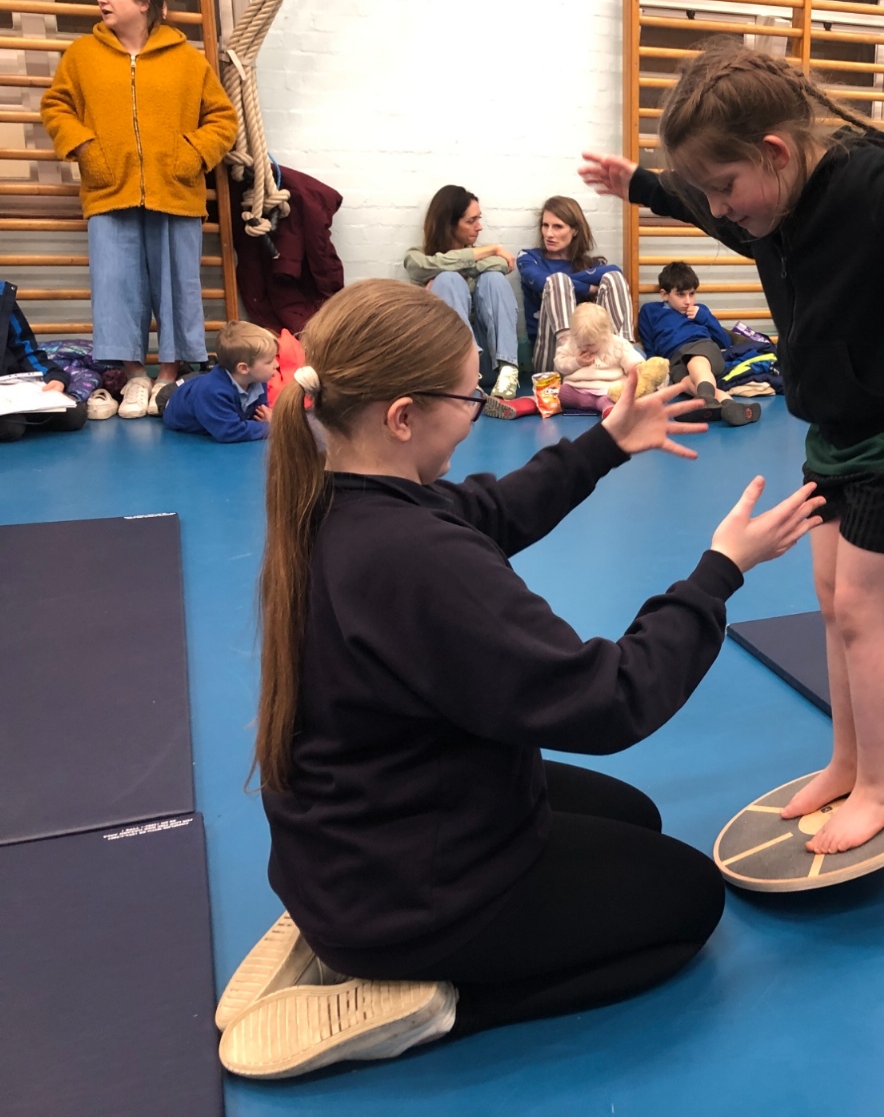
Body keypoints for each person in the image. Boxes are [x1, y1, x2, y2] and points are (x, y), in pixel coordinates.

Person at [216, 279, 823, 1079]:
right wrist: (720, 572)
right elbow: (610, 699)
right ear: (402, 417)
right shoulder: (416, 558)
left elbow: (491, 511)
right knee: (689, 901)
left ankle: (344, 922)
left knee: (634, 817)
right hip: (406, 897)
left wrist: (606, 443)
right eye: (468, 398)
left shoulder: (340, 499)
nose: (476, 413)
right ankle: (436, 1003)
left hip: (354, 843)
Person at [581, 41, 884, 853]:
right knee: (834, 603)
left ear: (775, 151)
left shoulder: (869, 183)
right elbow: (701, 203)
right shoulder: (773, 207)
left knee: (863, 612)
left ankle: (882, 783)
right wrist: (642, 185)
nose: (720, 208)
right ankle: (847, 760)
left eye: (725, 186)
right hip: (835, 433)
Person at [40, 0, 238, 419]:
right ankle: (134, 377)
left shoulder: (187, 59)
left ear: (143, 2)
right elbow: (56, 107)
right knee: (116, 287)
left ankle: (168, 377)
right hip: (109, 191)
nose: (101, 0)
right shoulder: (82, 55)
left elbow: (222, 118)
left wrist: (193, 154)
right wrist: (85, 148)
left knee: (177, 287)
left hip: (176, 191)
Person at [403, 185, 522, 399]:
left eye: (479, 219)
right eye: (471, 221)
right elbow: (419, 267)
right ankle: (464, 376)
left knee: (493, 278)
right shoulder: (417, 256)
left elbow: (503, 264)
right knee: (448, 279)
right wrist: (491, 250)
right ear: (448, 224)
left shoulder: (476, 254)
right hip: (448, 366)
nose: (479, 227)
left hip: (490, 363)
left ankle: (508, 370)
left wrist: (451, 263)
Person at [635, 261, 761, 426]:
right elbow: (649, 345)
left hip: (703, 349)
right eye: (681, 295)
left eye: (692, 294)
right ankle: (731, 407)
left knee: (696, 362)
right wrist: (658, 367)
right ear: (664, 295)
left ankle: (704, 400)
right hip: (675, 359)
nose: (688, 301)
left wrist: (704, 317)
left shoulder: (701, 310)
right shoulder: (650, 311)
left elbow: (724, 341)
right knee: (685, 383)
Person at [517, 197, 633, 374]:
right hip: (555, 357)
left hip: (597, 356)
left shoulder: (591, 264)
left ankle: (624, 350)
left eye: (558, 227)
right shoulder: (529, 258)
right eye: (545, 225)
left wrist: (571, 282)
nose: (549, 234)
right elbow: (542, 282)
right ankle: (568, 349)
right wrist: (587, 287)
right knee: (556, 281)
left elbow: (615, 270)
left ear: (575, 230)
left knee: (614, 278)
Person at [157, 320, 277, 443]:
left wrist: (269, 420)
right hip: (171, 398)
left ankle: (192, 373)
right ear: (243, 368)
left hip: (203, 382)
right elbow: (230, 431)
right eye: (269, 362)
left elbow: (261, 415)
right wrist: (272, 427)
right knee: (171, 392)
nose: (276, 365)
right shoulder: (213, 393)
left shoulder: (257, 378)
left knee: (202, 379)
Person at [0, 284, 88, 443]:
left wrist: (53, 375)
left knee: (75, 415)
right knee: (10, 427)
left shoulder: (2, 295)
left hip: (8, 390)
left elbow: (24, 347)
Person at [553, 301, 643, 416]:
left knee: (613, 397)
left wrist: (635, 376)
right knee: (557, 392)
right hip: (576, 388)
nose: (584, 348)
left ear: (605, 335)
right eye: (580, 344)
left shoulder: (618, 344)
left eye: (590, 345)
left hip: (606, 390)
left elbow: (635, 364)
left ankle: (607, 408)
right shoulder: (571, 343)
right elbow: (560, 363)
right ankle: (535, 402)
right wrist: (576, 362)